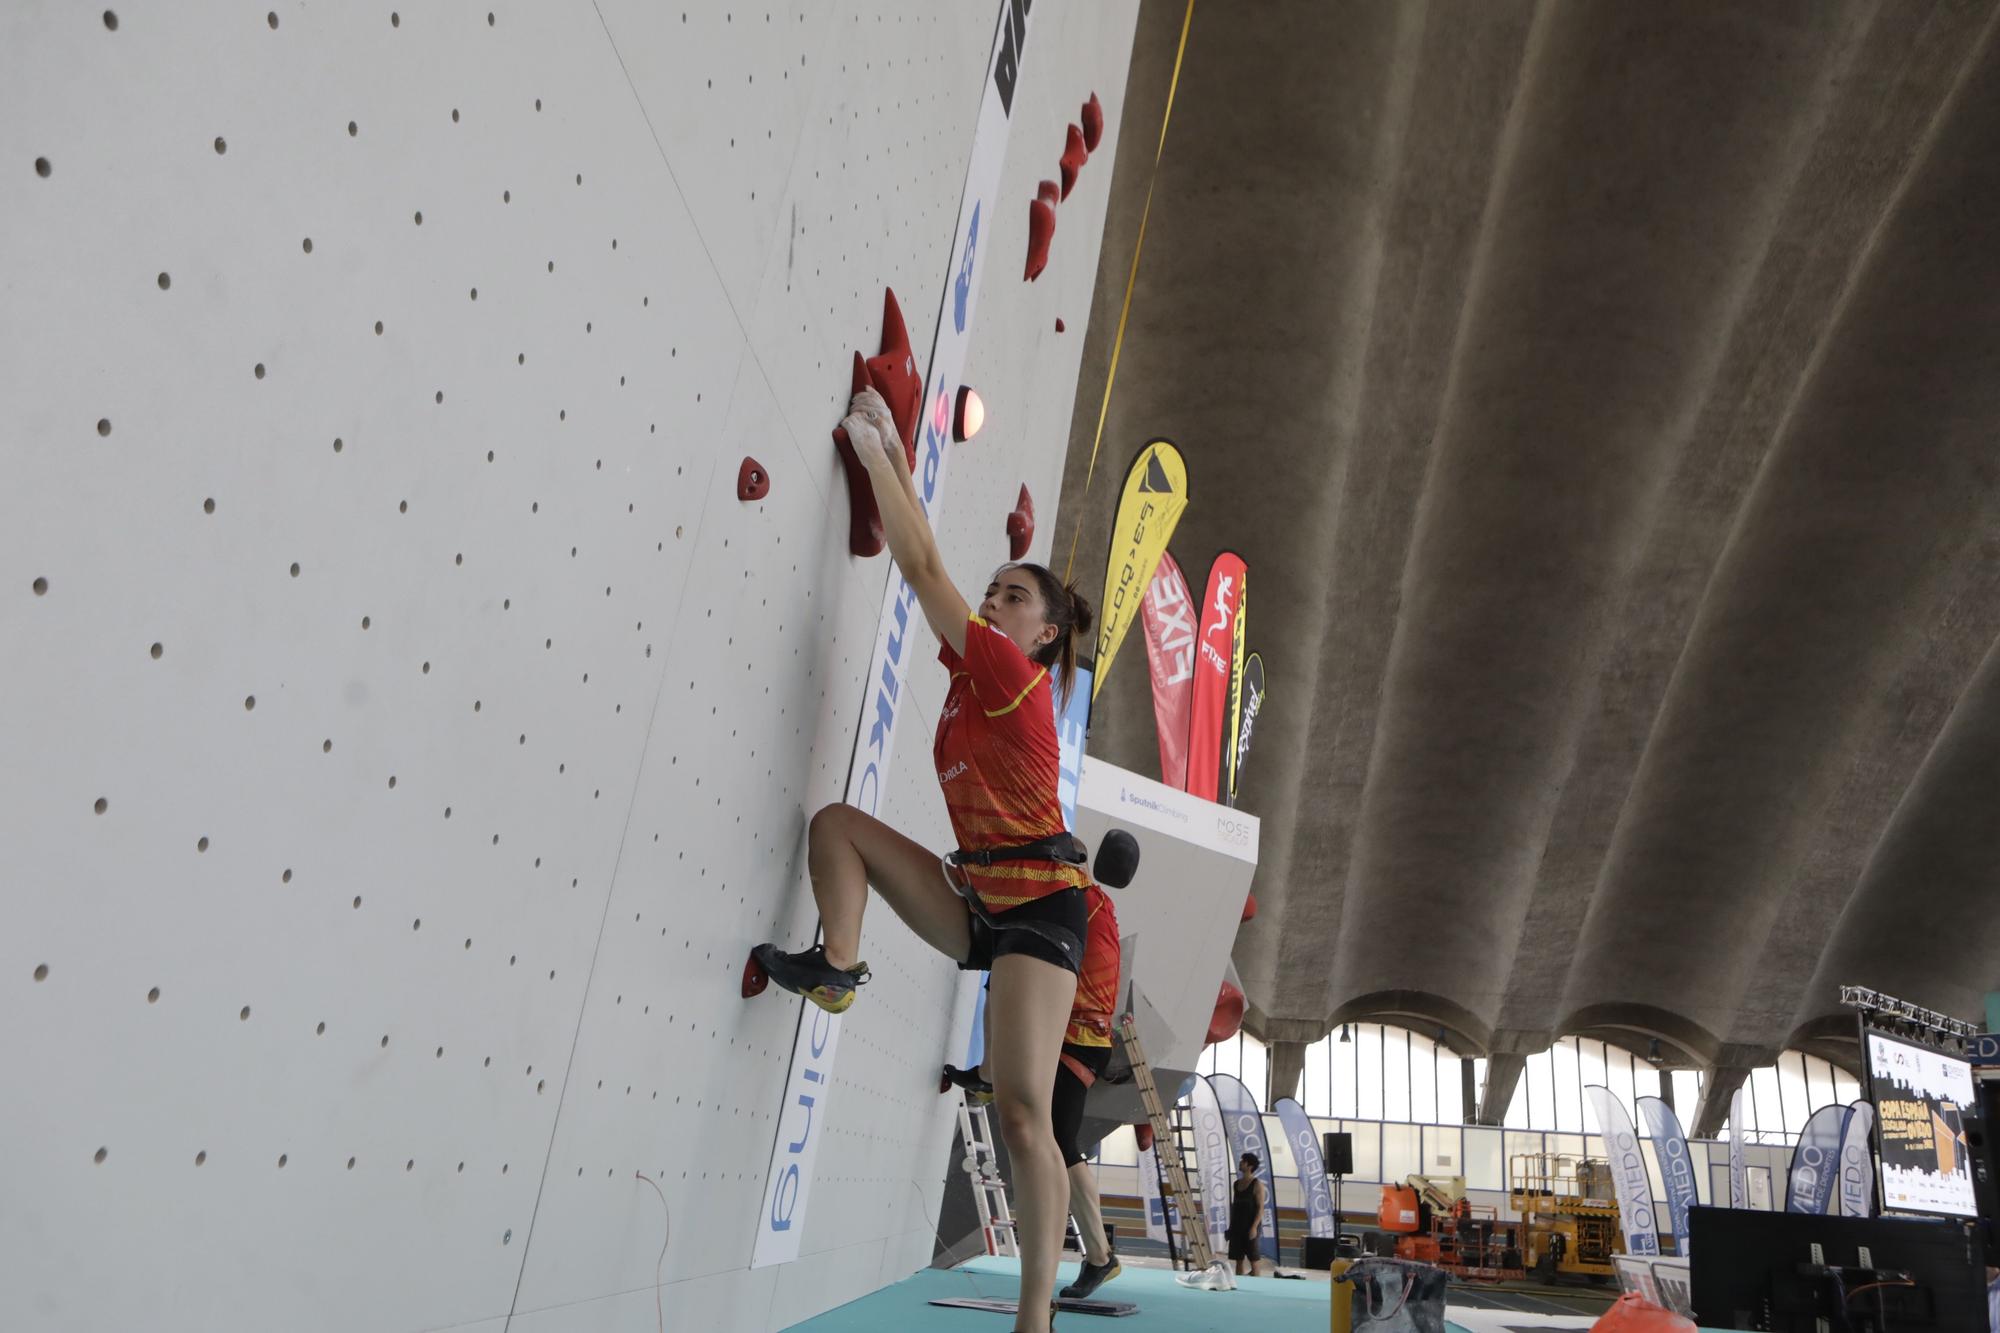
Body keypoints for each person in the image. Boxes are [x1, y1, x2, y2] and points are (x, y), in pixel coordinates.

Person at [752, 386, 1094, 1333]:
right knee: (836, 828)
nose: (991, 600)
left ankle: (1036, 1319)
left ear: (1046, 632)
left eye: (1012, 595)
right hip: (977, 896)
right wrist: (898, 458)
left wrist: (873, 451)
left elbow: (922, 560)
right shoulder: (971, 667)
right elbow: (935, 565)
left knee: (1023, 1114)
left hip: (1041, 911)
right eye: (992, 591)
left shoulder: (1008, 676)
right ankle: (837, 970)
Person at [1226, 1151, 1268, 1277]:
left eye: (1243, 1161)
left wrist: (1254, 1227)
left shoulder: (1257, 1185)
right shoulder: (1236, 1184)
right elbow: (1235, 1207)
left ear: (1249, 1166)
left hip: (1250, 1226)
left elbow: (1261, 1208)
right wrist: (1230, 1228)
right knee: (1238, 1259)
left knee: (1253, 1259)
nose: (1240, 1163)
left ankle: (1255, 1284)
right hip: (1237, 1226)